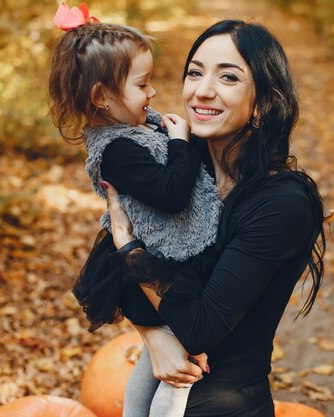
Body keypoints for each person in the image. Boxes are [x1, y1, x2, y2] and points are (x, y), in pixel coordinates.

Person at [98, 19, 328, 416]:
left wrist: (129, 246)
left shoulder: (282, 203)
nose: (202, 90)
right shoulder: (181, 168)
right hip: (153, 394)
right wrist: (154, 338)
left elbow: (199, 328)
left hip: (224, 405)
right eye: (195, 72)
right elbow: (107, 274)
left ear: (263, 102)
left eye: (228, 77)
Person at [47, 3, 221, 417]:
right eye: (143, 84)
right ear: (102, 98)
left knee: (157, 363)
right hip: (154, 271)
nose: (153, 92)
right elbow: (172, 193)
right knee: (182, 370)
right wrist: (181, 142)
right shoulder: (117, 150)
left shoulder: (136, 127)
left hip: (158, 261)